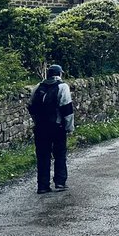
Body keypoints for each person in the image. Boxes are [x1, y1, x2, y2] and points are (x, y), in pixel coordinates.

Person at [28, 64, 74, 194]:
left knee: (43, 156)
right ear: (59, 74)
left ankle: (42, 186)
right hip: (57, 127)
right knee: (59, 154)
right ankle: (60, 182)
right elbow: (67, 109)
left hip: (41, 127)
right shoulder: (62, 87)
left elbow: (31, 107)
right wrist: (69, 127)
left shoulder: (37, 87)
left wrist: (36, 122)